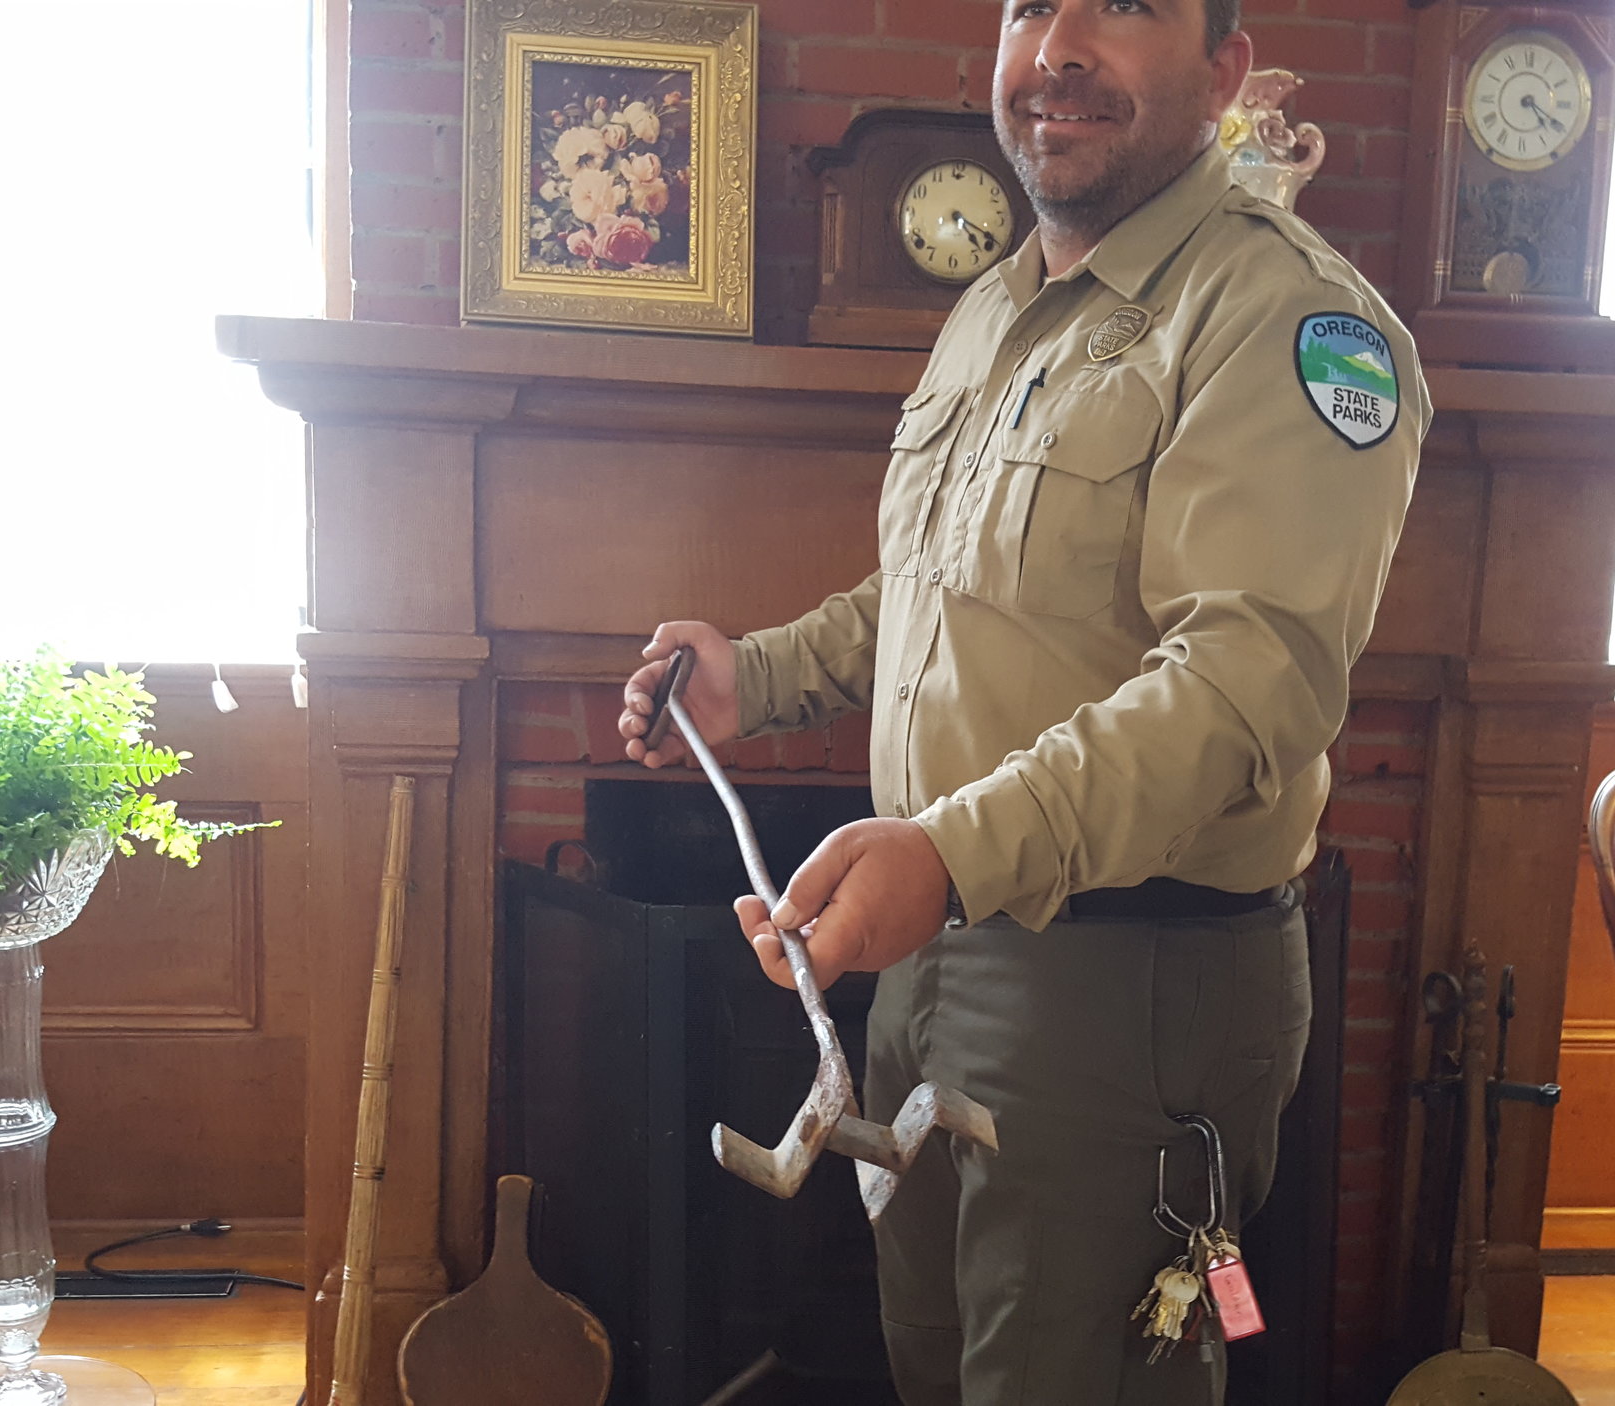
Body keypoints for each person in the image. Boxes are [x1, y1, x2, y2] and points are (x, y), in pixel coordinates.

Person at [618, 0, 1427, 1400]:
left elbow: (1245, 686)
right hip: (938, 961)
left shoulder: (1289, 320)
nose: (1057, 46)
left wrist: (947, 855)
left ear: (1225, 71)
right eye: (1028, 5)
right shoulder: (999, 306)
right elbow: (936, 590)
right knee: (938, 1368)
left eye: (1120, 9)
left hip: (1131, 994)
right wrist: (762, 671)